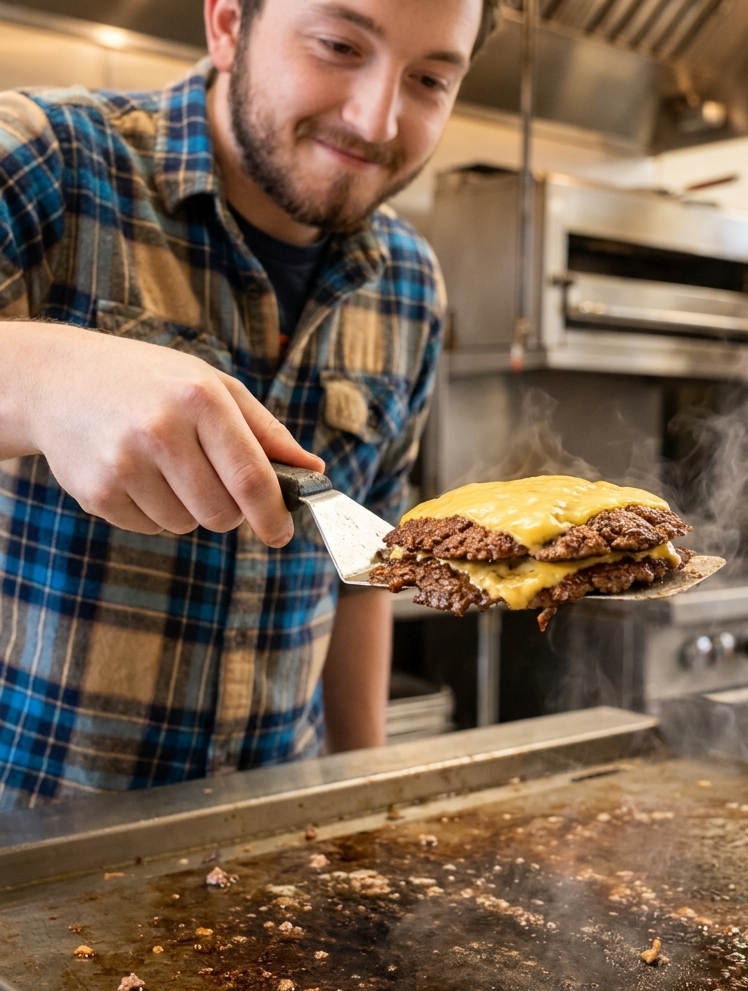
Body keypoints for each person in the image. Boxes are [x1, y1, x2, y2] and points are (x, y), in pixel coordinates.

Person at [0, 0, 498, 808]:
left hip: (274, 840)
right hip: (36, 856)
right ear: (229, 23)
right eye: (339, 45)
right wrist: (42, 377)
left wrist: (360, 805)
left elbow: (365, 565)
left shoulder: (409, 282)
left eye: (431, 78)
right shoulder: (46, 157)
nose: (377, 117)